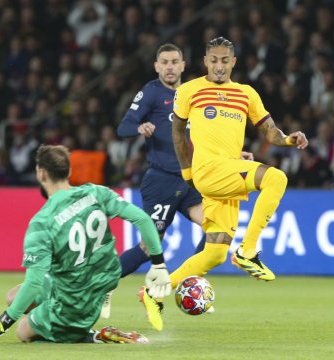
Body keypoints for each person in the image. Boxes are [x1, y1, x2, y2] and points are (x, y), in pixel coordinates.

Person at [0, 144, 171, 345]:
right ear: (69, 170)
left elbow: (34, 282)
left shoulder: (42, 223)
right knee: (13, 297)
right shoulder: (97, 193)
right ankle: (64, 320)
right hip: (98, 286)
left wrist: (1, 324)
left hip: (76, 302)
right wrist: (158, 264)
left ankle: (93, 335)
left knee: (23, 331)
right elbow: (143, 220)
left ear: (41, 174)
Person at [170, 37, 308, 288]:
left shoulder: (246, 93)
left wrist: (289, 139)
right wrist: (187, 172)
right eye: (213, 61)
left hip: (227, 171)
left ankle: (154, 292)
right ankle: (248, 251)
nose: (219, 66)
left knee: (215, 253)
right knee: (276, 178)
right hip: (208, 169)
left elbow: (270, 130)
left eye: (224, 61)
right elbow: (178, 133)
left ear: (233, 62)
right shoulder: (189, 90)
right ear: (205, 62)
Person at [113, 44, 221, 328]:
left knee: (217, 230)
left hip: (191, 180)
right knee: (149, 248)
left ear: (184, 65)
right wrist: (139, 128)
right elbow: (123, 127)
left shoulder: (196, 92)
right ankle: (100, 282)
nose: (170, 66)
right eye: (165, 62)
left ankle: (190, 282)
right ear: (157, 66)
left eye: (175, 62)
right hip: (161, 180)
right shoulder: (150, 93)